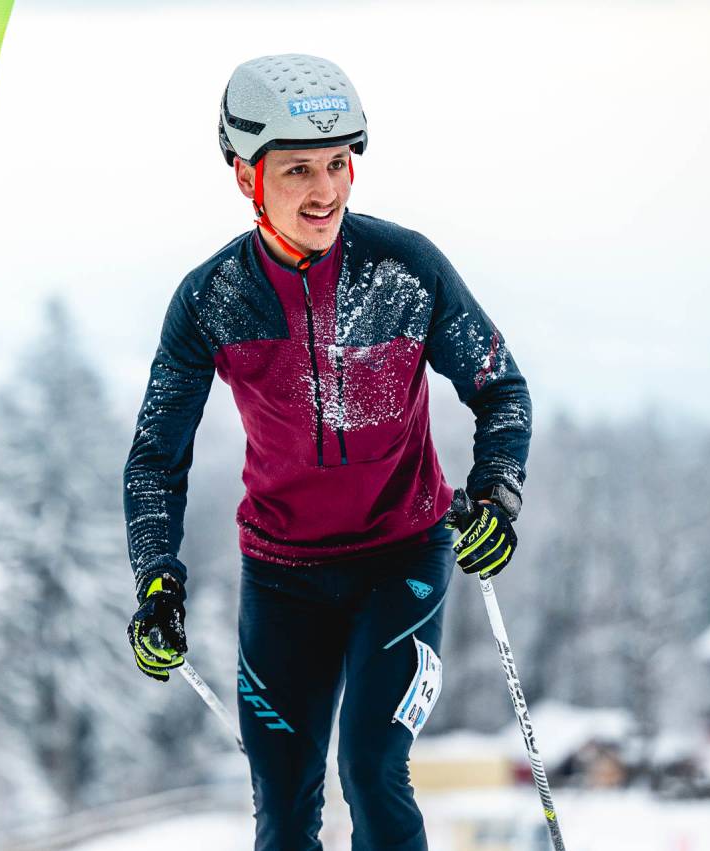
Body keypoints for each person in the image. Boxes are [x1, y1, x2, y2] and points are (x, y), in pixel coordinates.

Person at [123, 53, 532, 851]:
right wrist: (157, 580)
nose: (326, 190)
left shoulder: (406, 268)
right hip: (283, 576)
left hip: (403, 558)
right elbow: (154, 460)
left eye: (339, 163)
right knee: (282, 810)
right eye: (298, 168)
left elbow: (501, 389)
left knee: (371, 769)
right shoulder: (212, 300)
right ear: (247, 175)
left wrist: (496, 493)